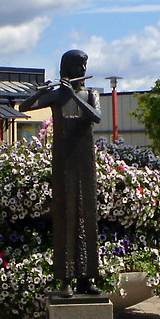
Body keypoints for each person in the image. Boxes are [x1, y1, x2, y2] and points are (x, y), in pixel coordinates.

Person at [19, 49, 102, 296]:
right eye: (79, 66)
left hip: (85, 162)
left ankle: (86, 279)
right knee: (65, 218)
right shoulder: (57, 96)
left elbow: (95, 116)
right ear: (67, 68)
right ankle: (65, 279)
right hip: (63, 162)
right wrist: (41, 92)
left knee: (88, 218)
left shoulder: (90, 94)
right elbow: (24, 106)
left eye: (85, 66)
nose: (83, 71)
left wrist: (74, 97)